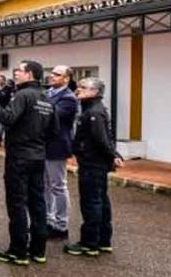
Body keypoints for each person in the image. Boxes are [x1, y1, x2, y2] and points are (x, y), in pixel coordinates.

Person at [0, 60, 58, 266]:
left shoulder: (23, 95)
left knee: (17, 204)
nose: (16, 73)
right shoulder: (47, 98)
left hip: (19, 158)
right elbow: (54, 131)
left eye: (20, 70)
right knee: (38, 203)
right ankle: (38, 251)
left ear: (30, 74)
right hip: (38, 157)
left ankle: (18, 252)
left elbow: (7, 117)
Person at [64, 77, 124, 257]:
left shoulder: (94, 112)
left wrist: (113, 155)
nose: (78, 90)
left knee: (92, 203)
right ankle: (103, 241)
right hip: (94, 163)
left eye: (83, 87)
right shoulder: (93, 109)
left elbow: (101, 138)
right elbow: (106, 136)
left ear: (95, 92)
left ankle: (90, 243)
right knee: (101, 201)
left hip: (92, 164)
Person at [45, 65, 78, 239]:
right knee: (45, 186)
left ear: (66, 79)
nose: (52, 76)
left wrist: (39, 106)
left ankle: (61, 225)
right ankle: (47, 220)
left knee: (58, 186)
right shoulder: (48, 93)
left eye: (57, 74)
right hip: (44, 146)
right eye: (52, 73)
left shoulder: (68, 98)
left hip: (57, 147)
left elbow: (50, 115)